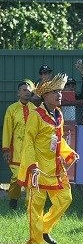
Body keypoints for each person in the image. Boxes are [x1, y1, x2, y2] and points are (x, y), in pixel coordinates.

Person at [17, 74, 78, 244]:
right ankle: (36, 241)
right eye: (55, 92)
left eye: (60, 91)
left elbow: (59, 140)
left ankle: (44, 228)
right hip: (37, 168)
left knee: (65, 199)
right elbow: (28, 142)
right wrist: (32, 165)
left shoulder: (59, 114)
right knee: (36, 204)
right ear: (45, 95)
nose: (59, 95)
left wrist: (69, 153)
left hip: (55, 167)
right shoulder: (35, 115)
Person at [2, 80, 34, 209]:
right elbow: (7, 129)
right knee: (16, 177)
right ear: (18, 93)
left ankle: (29, 205)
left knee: (31, 178)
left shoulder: (35, 109)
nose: (27, 92)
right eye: (24, 90)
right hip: (16, 150)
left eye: (28, 90)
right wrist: (6, 149)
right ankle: (13, 199)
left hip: (31, 150)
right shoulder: (12, 109)